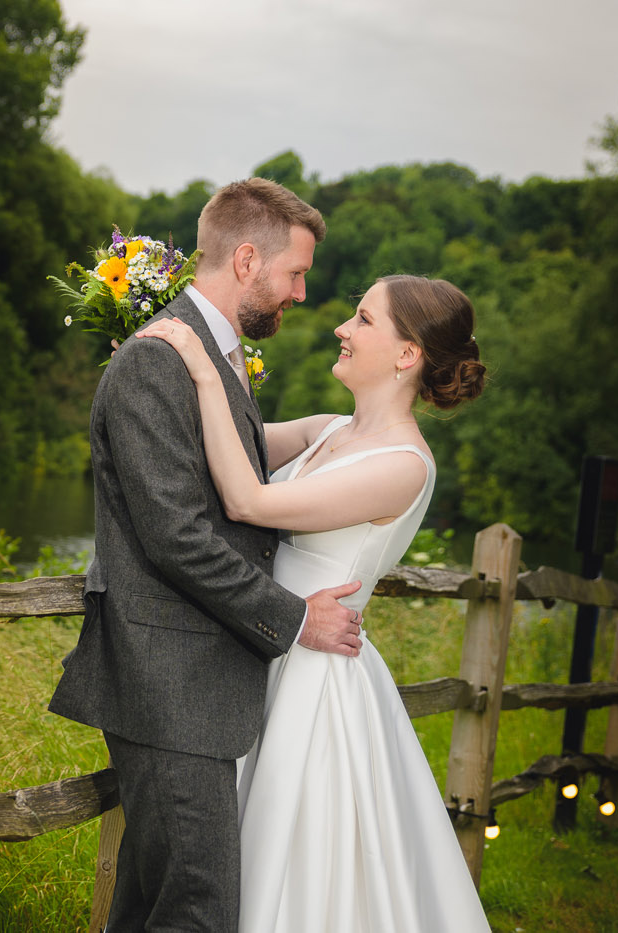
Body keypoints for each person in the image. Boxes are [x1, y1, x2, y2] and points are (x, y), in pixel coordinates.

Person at [48, 178, 364, 930]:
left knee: (154, 905)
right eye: (295, 273)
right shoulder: (156, 362)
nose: (302, 292)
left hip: (195, 683)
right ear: (248, 259)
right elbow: (175, 535)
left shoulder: (218, 361)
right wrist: (293, 619)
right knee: (198, 908)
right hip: (168, 684)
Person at [137, 273, 489, 932]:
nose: (341, 329)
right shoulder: (329, 431)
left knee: (295, 856)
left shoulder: (404, 464)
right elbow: (214, 445)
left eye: (362, 319)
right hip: (265, 644)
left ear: (407, 355)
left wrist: (211, 375)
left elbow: (249, 499)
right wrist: (161, 353)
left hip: (313, 678)